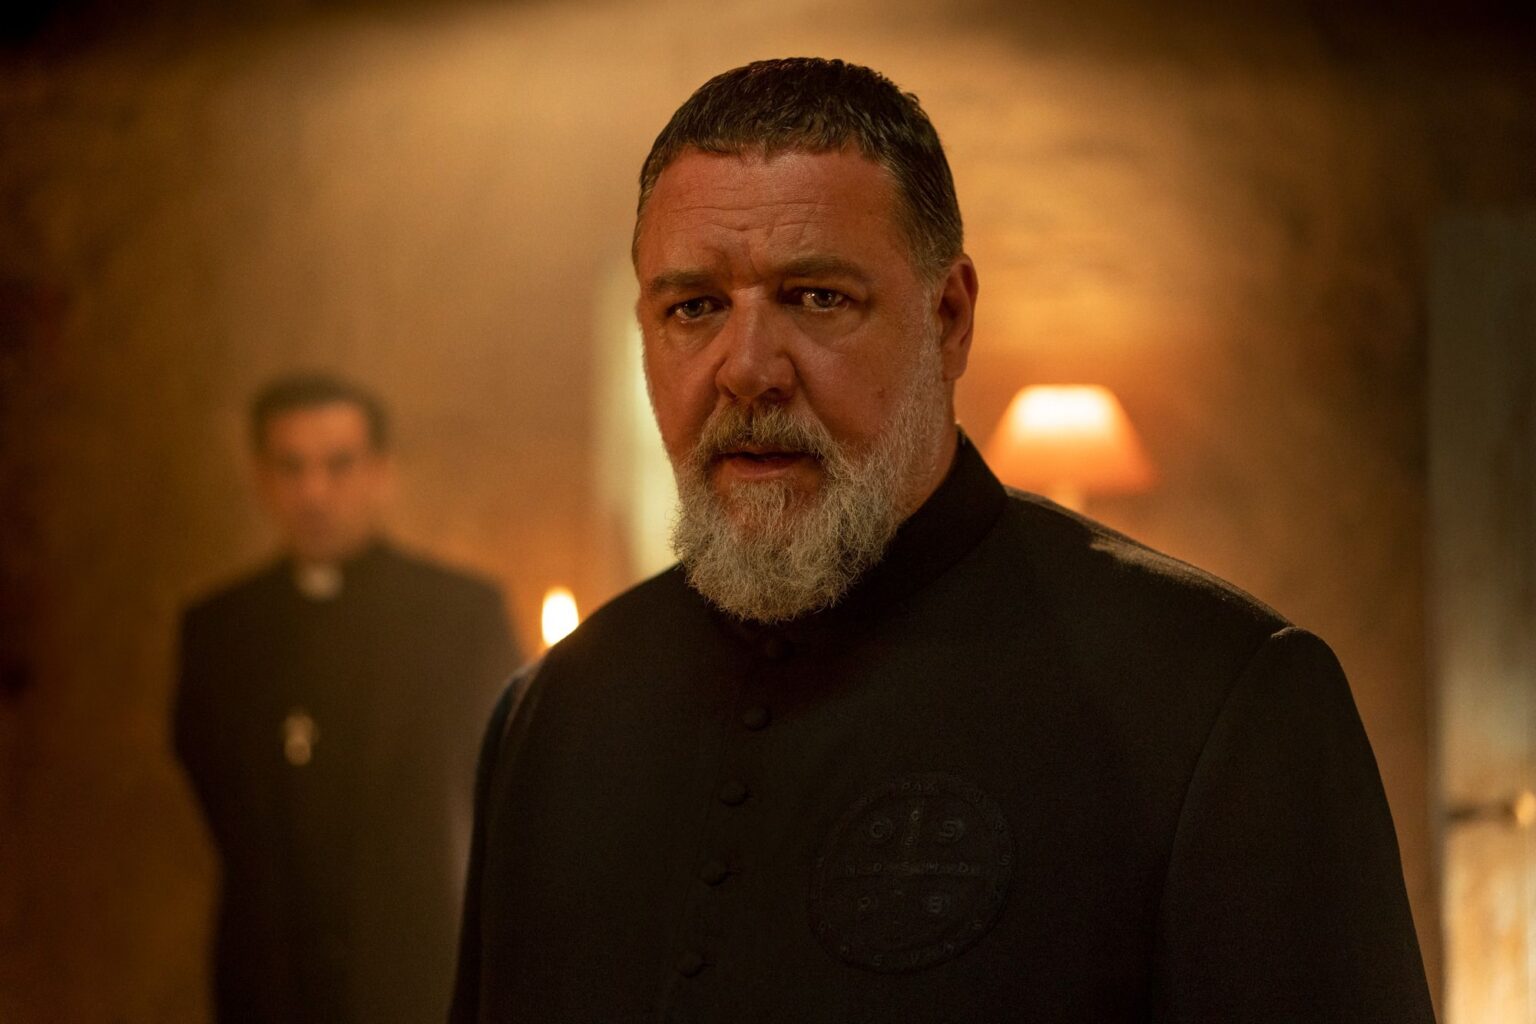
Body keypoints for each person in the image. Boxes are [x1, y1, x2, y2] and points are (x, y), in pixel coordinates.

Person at [452, 58, 1435, 1023]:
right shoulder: (551, 718)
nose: (747, 369)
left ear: (950, 319)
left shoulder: (1222, 700)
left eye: (817, 297)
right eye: (694, 308)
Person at [175, 373, 518, 1024]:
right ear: (260, 477)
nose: (314, 492)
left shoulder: (458, 618)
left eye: (338, 465)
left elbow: (499, 787)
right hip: (270, 979)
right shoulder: (220, 631)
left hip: (416, 970)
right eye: (291, 467)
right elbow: (215, 788)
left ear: (381, 471)